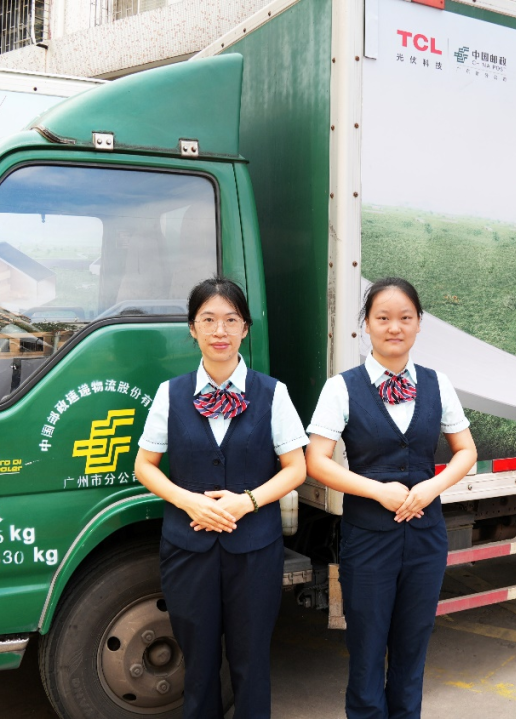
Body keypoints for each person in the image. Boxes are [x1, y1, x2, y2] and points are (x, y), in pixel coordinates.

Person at [135, 277, 308, 719]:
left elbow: (296, 468)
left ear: (245, 328)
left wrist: (247, 501)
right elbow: (145, 466)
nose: (220, 331)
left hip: (255, 551)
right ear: (192, 328)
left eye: (231, 320)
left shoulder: (272, 393)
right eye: (208, 319)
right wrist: (189, 501)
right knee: (198, 666)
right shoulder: (171, 394)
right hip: (188, 550)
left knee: (252, 663)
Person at [305, 277, 478, 719]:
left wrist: (432, 486)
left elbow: (466, 451)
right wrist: (376, 490)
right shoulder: (341, 387)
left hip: (426, 539)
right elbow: (316, 462)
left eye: (405, 318)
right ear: (366, 325)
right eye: (383, 318)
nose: (394, 327)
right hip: (367, 540)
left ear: (419, 324)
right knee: (366, 650)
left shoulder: (438, 384)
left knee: (412, 649)